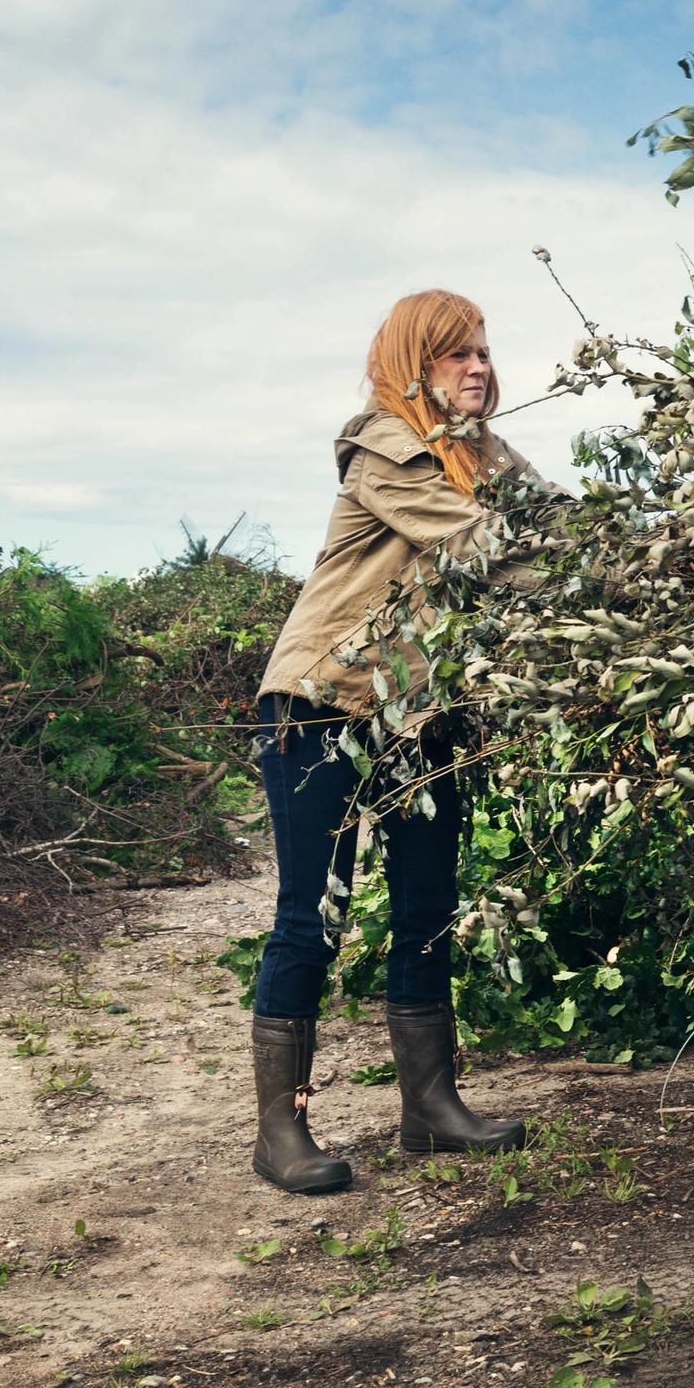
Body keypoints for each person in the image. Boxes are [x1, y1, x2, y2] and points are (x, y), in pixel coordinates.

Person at [244, 287, 553, 1192]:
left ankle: (431, 1107)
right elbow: (486, 547)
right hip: (321, 704)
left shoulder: (485, 452)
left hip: (420, 709)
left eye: (484, 351)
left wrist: (653, 551)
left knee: (428, 903)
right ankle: (280, 1131)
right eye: (459, 353)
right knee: (313, 914)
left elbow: (554, 520)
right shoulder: (386, 449)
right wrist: (603, 572)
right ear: (416, 364)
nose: (480, 367)